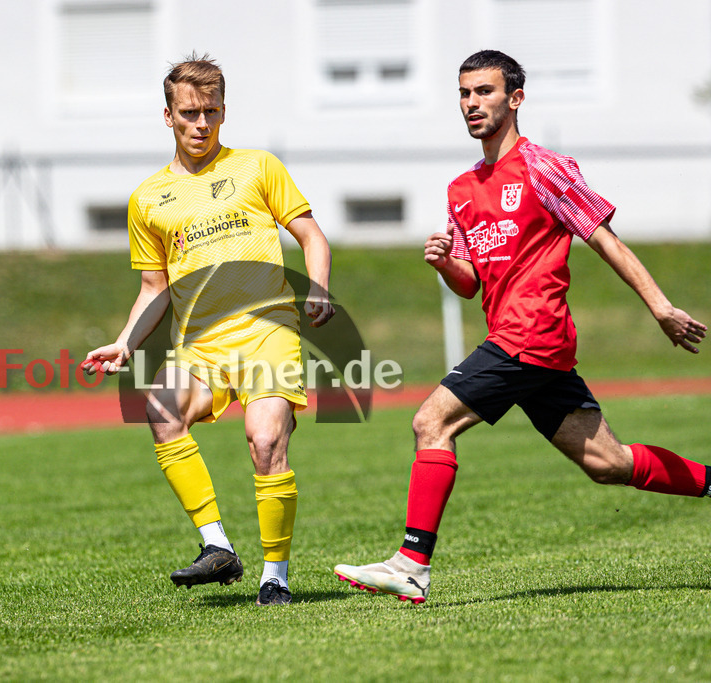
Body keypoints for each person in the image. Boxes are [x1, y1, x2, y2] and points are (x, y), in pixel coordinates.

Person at [333, 50, 708, 604]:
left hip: (530, 335)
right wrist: (443, 261)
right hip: (529, 345)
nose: (471, 104)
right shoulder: (462, 189)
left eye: (484, 92)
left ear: (515, 99)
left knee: (430, 421)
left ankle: (411, 564)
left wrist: (659, 307)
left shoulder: (544, 168)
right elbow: (470, 284)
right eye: (464, 94)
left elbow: (605, 239)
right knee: (609, 463)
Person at [83, 53, 334, 606]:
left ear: (224, 111)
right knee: (161, 412)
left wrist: (317, 286)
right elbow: (154, 288)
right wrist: (126, 343)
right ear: (168, 115)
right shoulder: (147, 198)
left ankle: (276, 577)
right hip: (200, 344)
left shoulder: (257, 167)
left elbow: (312, 237)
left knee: (266, 443)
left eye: (212, 112)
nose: (202, 124)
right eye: (190, 113)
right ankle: (216, 547)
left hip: (268, 331)